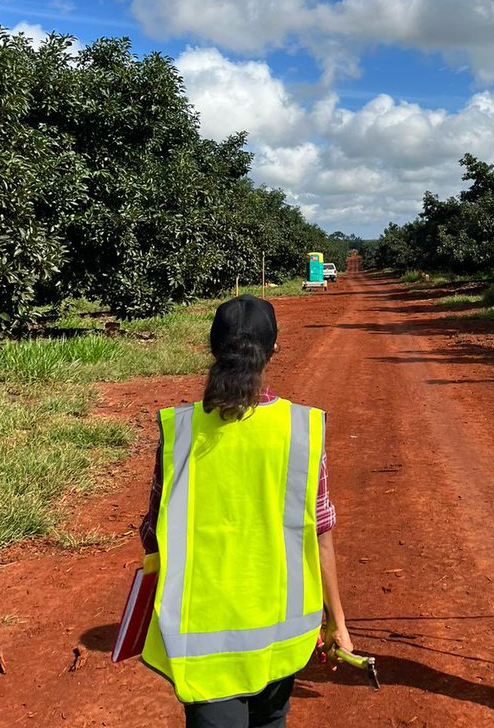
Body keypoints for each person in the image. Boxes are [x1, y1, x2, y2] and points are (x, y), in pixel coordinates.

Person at [139, 294, 352, 728]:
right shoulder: (302, 429)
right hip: (280, 635)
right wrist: (337, 622)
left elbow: (152, 533)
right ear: (274, 348)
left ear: (213, 348)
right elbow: (319, 533)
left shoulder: (180, 430)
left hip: (202, 642)